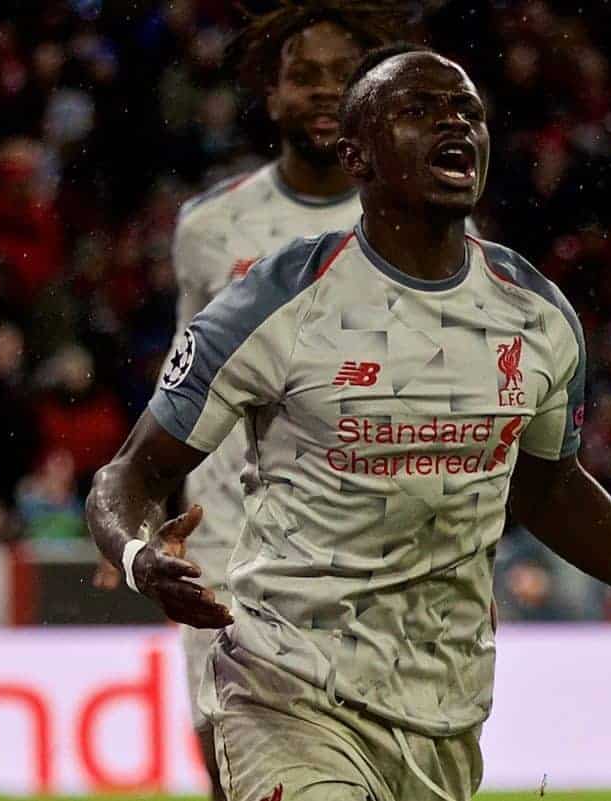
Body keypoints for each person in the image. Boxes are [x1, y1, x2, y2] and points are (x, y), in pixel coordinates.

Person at [88, 45, 611, 801]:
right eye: (418, 111)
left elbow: (548, 488)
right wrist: (135, 557)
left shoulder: (536, 313)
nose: (454, 125)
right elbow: (132, 472)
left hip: (443, 707)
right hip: (286, 689)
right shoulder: (273, 303)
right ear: (357, 155)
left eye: (467, 112)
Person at [92, 6, 408, 798]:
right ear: (271, 95)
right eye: (304, 75)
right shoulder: (210, 227)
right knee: (229, 766)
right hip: (232, 547)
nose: (324, 91)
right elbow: (184, 371)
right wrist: (141, 499)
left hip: (372, 555)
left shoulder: (412, 222)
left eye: (344, 74)